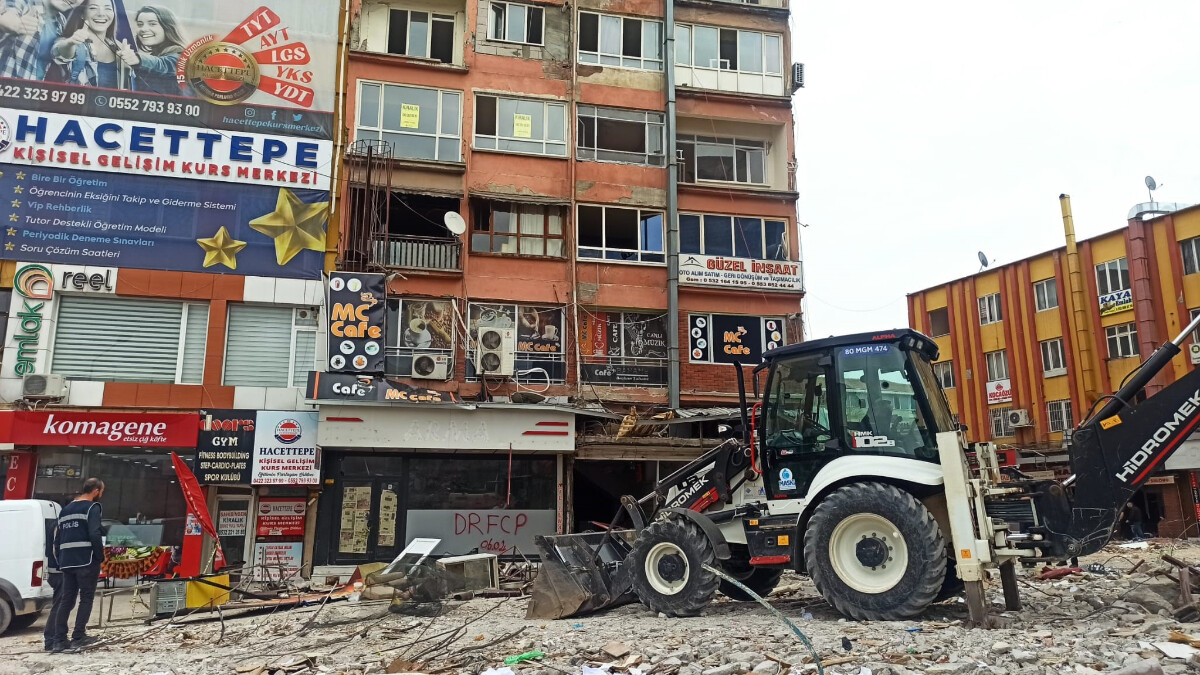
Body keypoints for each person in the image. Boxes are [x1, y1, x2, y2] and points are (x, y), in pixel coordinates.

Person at [50, 477, 105, 653]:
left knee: (67, 599)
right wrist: (100, 556)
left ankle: (59, 640)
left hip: (67, 561)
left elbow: (57, 539)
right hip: (86, 560)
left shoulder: (65, 510)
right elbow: (95, 534)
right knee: (86, 597)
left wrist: (61, 558)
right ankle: (79, 636)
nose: (101, 494)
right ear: (96, 491)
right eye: (102, 491)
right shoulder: (92, 507)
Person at [51, 0, 131, 89]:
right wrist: (70, 43)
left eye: (107, 8)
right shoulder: (73, 42)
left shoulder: (118, 47)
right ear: (82, 14)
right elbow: (59, 52)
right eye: (93, 8)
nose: (101, 14)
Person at [114, 5, 184, 95]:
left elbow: (164, 65)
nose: (143, 29)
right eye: (140, 24)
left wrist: (137, 59)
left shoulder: (181, 55)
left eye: (152, 24)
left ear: (167, 27)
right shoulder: (156, 55)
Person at [0, 0, 77, 79]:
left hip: (32, 87)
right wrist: (15, 24)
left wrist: (70, 44)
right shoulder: (23, 3)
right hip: (5, 85)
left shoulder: (61, 21)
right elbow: (8, 14)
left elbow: (58, 56)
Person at [41, 511, 63, 652]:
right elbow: (56, 548)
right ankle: (51, 639)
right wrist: (63, 566)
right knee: (59, 605)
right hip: (58, 572)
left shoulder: (54, 523)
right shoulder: (58, 525)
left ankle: (54, 637)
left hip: (56, 571)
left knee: (60, 604)